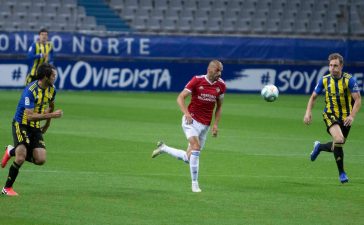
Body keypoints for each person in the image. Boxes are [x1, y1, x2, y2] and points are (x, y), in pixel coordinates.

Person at [151, 60, 226, 192]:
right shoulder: (197, 80)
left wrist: (215, 124)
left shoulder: (221, 85)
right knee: (196, 147)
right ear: (210, 70)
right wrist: (186, 114)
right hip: (191, 121)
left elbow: (219, 107)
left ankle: (164, 148)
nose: (219, 74)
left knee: (189, 157)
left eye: (221, 71)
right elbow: (180, 97)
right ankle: (194, 184)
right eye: (217, 70)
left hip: (205, 125)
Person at [1, 63, 63, 196]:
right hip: (21, 124)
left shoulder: (52, 89)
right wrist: (51, 115)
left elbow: (51, 106)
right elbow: (29, 117)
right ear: (46, 76)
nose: (55, 77)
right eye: (53, 75)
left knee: (40, 159)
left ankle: (11, 151)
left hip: (35, 127)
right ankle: (6, 189)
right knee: (21, 157)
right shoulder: (31, 90)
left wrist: (47, 125)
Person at [303, 53, 361, 184]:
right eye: (330, 65)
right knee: (339, 139)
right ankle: (342, 173)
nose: (332, 68)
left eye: (335, 65)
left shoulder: (349, 80)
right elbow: (313, 97)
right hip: (330, 114)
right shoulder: (325, 80)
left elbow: (358, 100)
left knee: (337, 145)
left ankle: (319, 147)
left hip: (345, 117)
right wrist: (308, 112)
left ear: (341, 66)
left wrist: (352, 116)